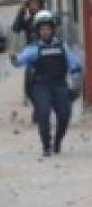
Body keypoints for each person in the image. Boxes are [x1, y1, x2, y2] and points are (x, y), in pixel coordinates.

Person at [13, 10, 83, 156]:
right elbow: (19, 61)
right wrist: (13, 57)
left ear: (52, 29)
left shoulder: (62, 47)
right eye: (42, 29)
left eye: (47, 29)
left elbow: (74, 65)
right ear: (38, 31)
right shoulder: (34, 48)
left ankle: (57, 142)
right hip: (41, 86)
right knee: (43, 115)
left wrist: (76, 83)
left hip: (60, 85)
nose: (45, 32)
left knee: (64, 116)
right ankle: (46, 145)